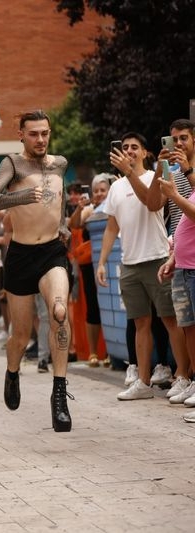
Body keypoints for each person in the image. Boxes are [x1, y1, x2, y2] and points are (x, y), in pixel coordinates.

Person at [0, 110, 73, 432]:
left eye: (45, 133)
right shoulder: (13, 164)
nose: (40, 139)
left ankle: (59, 395)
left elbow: (60, 199)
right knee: (20, 336)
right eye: (33, 134)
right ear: (21, 135)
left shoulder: (59, 163)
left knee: (59, 312)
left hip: (52, 252)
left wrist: (63, 224)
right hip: (21, 255)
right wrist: (22, 195)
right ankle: (12, 371)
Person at [99, 132, 187, 400]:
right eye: (125, 147)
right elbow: (111, 226)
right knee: (140, 323)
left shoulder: (156, 176)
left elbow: (152, 204)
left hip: (157, 257)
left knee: (170, 320)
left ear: (146, 153)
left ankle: (183, 376)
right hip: (129, 262)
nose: (129, 151)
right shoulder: (116, 187)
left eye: (134, 147)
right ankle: (143, 382)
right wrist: (101, 262)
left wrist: (129, 173)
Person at [148, 119, 195, 404]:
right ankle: (188, 377)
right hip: (180, 255)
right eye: (173, 139)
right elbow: (154, 204)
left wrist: (187, 170)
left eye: (184, 138)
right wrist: (159, 169)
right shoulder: (172, 171)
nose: (178, 144)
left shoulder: (189, 172)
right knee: (185, 323)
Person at [69, 173, 111, 367]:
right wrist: (80, 208)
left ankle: (110, 351)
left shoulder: (114, 207)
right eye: (96, 191)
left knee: (110, 306)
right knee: (93, 307)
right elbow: (73, 224)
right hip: (89, 265)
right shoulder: (90, 210)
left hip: (110, 263)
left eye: (103, 190)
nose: (99, 194)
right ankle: (93, 352)